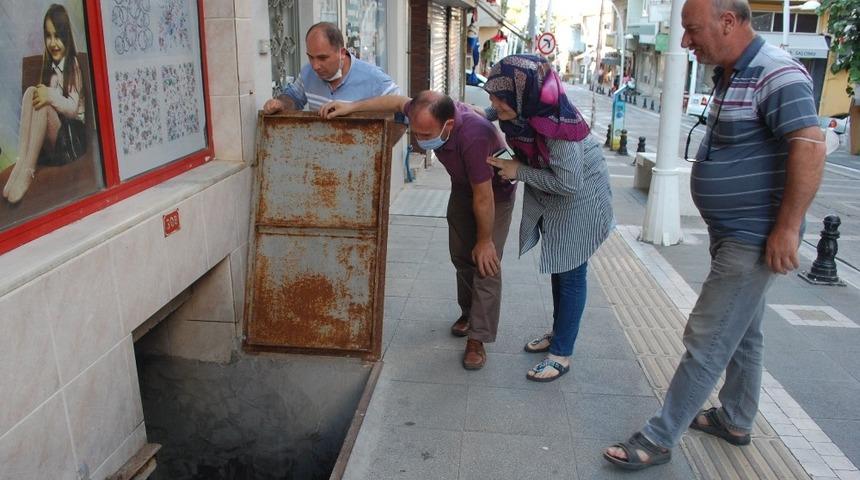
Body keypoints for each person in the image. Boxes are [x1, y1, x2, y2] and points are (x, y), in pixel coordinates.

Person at [603, 0, 825, 470]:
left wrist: (787, 228)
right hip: (733, 232)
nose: (686, 41)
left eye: (692, 29)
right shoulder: (732, 71)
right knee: (743, 330)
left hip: (755, 235)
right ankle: (736, 419)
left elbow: (809, 146)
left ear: (728, 22)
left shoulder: (777, 73)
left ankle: (660, 437)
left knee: (708, 335)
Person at [320, 90, 516, 370]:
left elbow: (484, 197)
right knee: (461, 255)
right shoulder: (423, 111)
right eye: (416, 133)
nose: (420, 141)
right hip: (463, 186)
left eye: (426, 135)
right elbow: (393, 100)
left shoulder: (475, 135)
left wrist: (485, 241)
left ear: (448, 125)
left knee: (485, 263)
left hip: (495, 193)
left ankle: (478, 338)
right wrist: (351, 106)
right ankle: (469, 313)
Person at [484, 54, 614, 383]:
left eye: (499, 98)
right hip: (556, 192)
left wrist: (518, 171)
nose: (494, 103)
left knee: (571, 272)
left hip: (580, 195)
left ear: (522, 95)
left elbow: (569, 184)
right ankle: (559, 333)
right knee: (559, 263)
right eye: (491, 96)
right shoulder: (523, 107)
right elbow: (493, 111)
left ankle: (561, 354)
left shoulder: (558, 128)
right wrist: (469, 113)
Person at [3, 4, 86, 204]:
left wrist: (49, 95)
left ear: (67, 37)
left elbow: (72, 109)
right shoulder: (50, 67)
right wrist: (44, 93)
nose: (53, 43)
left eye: (58, 36)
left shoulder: (72, 66)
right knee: (31, 92)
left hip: (71, 140)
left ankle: (28, 170)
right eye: (48, 36)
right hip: (54, 139)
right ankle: (21, 162)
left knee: (45, 105)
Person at [262, 22, 399, 114]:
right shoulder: (307, 72)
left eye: (322, 58)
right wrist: (280, 103)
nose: (315, 66)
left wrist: (382, 149)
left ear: (342, 53)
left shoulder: (373, 77)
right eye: (311, 57)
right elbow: (293, 98)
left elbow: (401, 109)